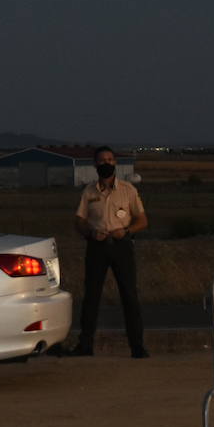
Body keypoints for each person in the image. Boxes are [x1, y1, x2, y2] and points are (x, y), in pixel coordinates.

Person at [72, 146, 149, 358]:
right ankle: (85, 345)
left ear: (115, 163)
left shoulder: (128, 190)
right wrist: (89, 232)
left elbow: (142, 220)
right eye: (102, 160)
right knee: (91, 297)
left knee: (129, 296)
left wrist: (126, 231)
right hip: (97, 247)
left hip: (121, 245)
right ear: (95, 164)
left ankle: (137, 347)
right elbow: (79, 220)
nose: (106, 163)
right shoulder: (89, 192)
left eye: (109, 159)